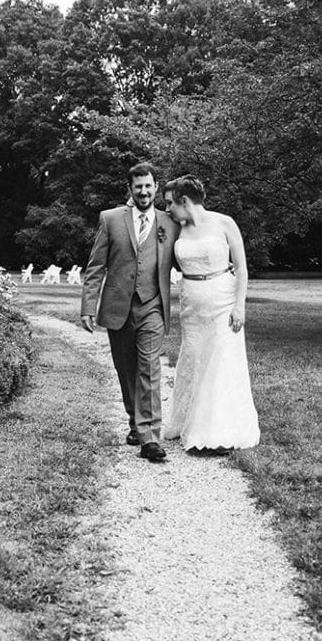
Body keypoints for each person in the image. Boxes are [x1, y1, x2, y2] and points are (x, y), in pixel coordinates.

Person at [80, 162, 181, 462]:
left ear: (155, 186)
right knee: (127, 371)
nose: (144, 191)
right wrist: (88, 306)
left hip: (152, 305)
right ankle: (135, 422)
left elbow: (184, 259)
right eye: (138, 187)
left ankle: (150, 437)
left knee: (150, 368)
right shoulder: (111, 219)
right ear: (130, 189)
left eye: (148, 186)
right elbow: (96, 266)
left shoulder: (169, 222)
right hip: (118, 306)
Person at [160, 175, 260, 452]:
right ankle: (184, 422)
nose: (167, 209)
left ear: (184, 200)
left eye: (170, 203)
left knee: (219, 363)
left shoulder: (224, 223)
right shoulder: (175, 227)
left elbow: (241, 268)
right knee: (193, 359)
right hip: (191, 304)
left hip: (223, 301)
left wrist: (239, 306)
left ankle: (214, 432)